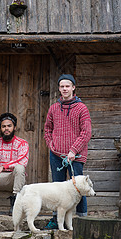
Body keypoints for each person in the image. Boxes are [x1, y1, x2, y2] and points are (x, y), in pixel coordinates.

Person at [44, 74, 92, 229]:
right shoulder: (54, 108)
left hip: (76, 156)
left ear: (73, 88)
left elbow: (86, 132)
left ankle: (81, 220)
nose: (65, 89)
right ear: (59, 88)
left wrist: (73, 150)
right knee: (56, 188)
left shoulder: (81, 108)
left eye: (67, 86)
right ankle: (55, 219)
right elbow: (47, 129)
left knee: (79, 188)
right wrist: (51, 144)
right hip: (56, 155)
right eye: (62, 86)